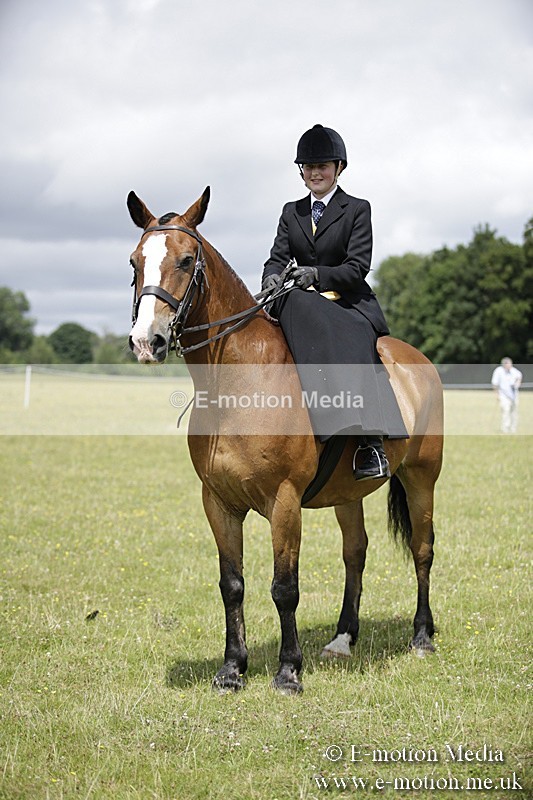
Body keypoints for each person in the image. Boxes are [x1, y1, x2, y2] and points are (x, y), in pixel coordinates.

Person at [262, 123, 406, 481]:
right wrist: (270, 278)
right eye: (309, 167)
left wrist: (316, 275)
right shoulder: (290, 211)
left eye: (323, 165)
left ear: (339, 167)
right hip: (300, 303)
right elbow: (278, 257)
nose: (315, 173)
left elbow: (357, 268)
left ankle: (370, 441)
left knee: (351, 335)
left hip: (347, 302)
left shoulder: (357, 209)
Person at [491, 357, 522, 433]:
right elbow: (495, 384)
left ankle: (513, 429)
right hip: (504, 395)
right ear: (504, 365)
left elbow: (520, 376)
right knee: (506, 411)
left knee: (514, 412)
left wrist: (517, 383)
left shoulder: (514, 371)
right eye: (507, 364)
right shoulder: (498, 371)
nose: (509, 366)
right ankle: (505, 429)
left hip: (514, 395)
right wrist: (497, 395)